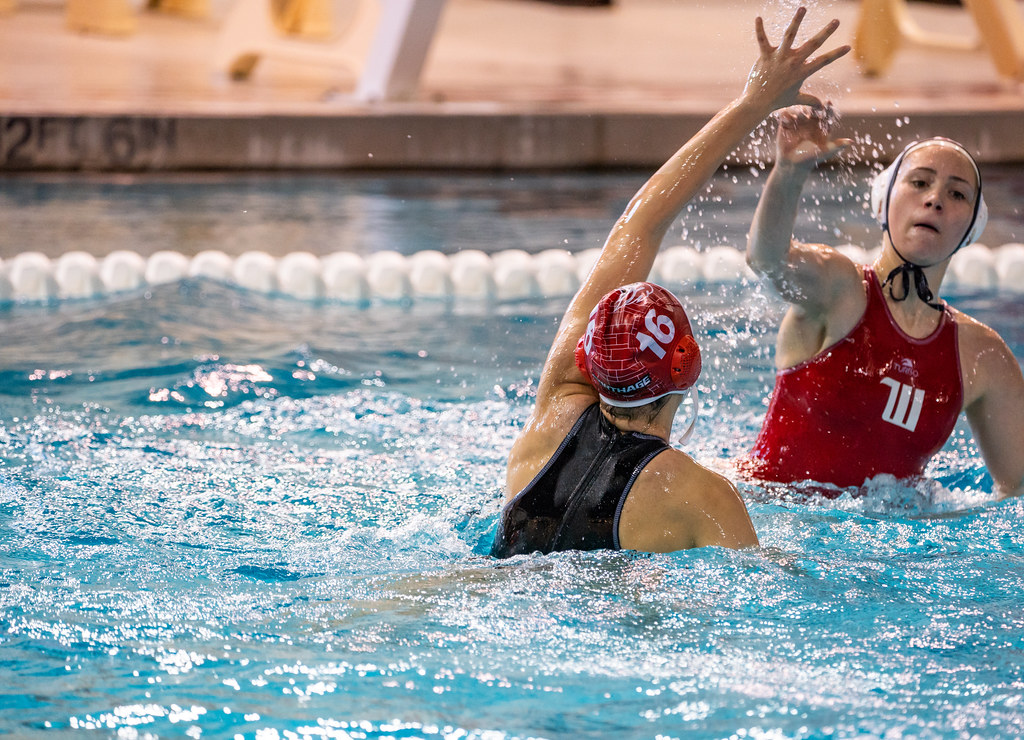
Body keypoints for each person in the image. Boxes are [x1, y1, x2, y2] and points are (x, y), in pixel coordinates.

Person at [489, 8, 851, 558]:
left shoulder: (553, 413)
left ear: (586, 359)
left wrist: (750, 103)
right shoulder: (703, 498)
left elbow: (639, 220)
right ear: (688, 366)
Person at [741, 105, 1024, 496]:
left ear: (971, 228)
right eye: (920, 183)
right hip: (772, 532)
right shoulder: (838, 288)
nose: (935, 200)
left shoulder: (983, 356)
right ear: (882, 203)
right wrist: (788, 173)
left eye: (957, 193)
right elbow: (766, 260)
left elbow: (1016, 495)